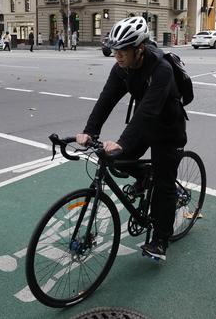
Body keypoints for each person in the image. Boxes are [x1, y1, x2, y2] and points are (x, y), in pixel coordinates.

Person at [76, 16, 187, 261]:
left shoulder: (162, 69)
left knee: (163, 185)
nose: (117, 57)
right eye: (115, 51)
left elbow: (148, 110)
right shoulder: (121, 69)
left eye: (122, 52)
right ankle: (144, 175)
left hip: (169, 129)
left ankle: (160, 239)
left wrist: (123, 141)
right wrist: (90, 131)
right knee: (112, 157)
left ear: (139, 49)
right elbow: (106, 100)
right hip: (143, 125)